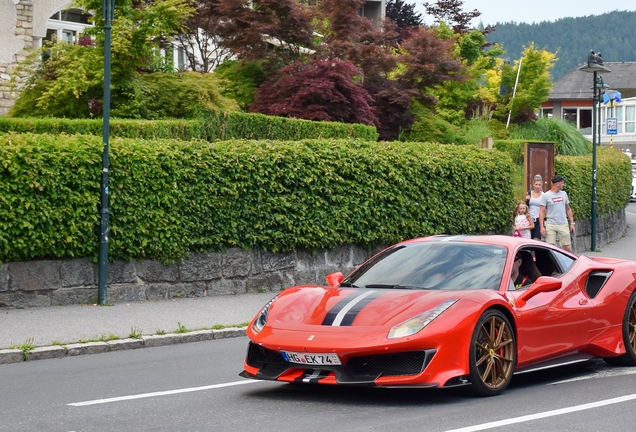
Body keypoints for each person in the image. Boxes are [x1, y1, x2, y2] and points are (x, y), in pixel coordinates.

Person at [539, 174, 575, 252]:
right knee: (551, 247)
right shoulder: (546, 195)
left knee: (567, 247)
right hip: (551, 224)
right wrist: (542, 227)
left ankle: (568, 261)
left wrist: (572, 223)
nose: (563, 184)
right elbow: (542, 211)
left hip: (563, 223)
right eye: (562, 183)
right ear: (557, 184)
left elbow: (568, 209)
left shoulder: (564, 194)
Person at [525, 175, 545, 241]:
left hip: (538, 219)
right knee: (529, 239)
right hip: (529, 219)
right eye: (536, 184)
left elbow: (544, 208)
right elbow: (524, 206)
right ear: (533, 184)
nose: (537, 186)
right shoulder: (529, 193)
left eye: (539, 185)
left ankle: (535, 251)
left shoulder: (543, 195)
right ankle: (531, 252)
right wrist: (526, 199)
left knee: (536, 239)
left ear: (541, 185)